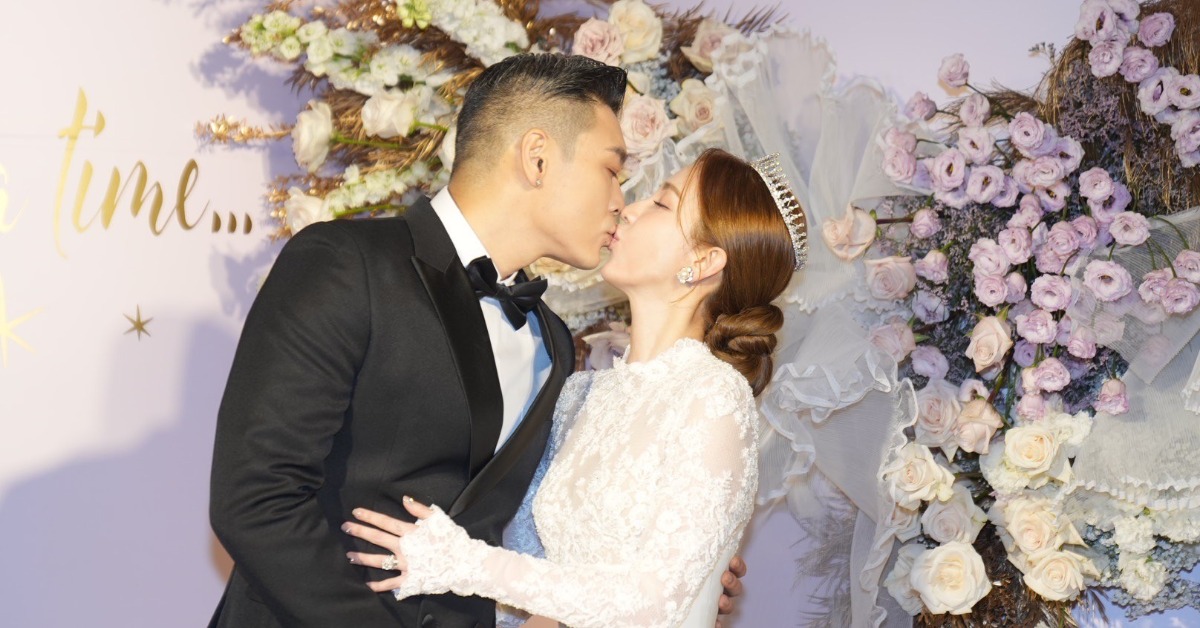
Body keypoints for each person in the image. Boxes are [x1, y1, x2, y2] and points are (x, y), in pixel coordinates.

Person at [207, 53, 744, 628]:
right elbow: (255, 500)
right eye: (612, 170)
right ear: (537, 158)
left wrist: (686, 571)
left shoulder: (555, 345)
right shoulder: (346, 265)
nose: (620, 200)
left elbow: (527, 533)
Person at [342, 147, 807, 627]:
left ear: (704, 261)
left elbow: (650, 604)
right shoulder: (581, 394)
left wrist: (465, 563)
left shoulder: (713, 397)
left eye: (661, 203)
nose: (630, 208)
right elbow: (530, 571)